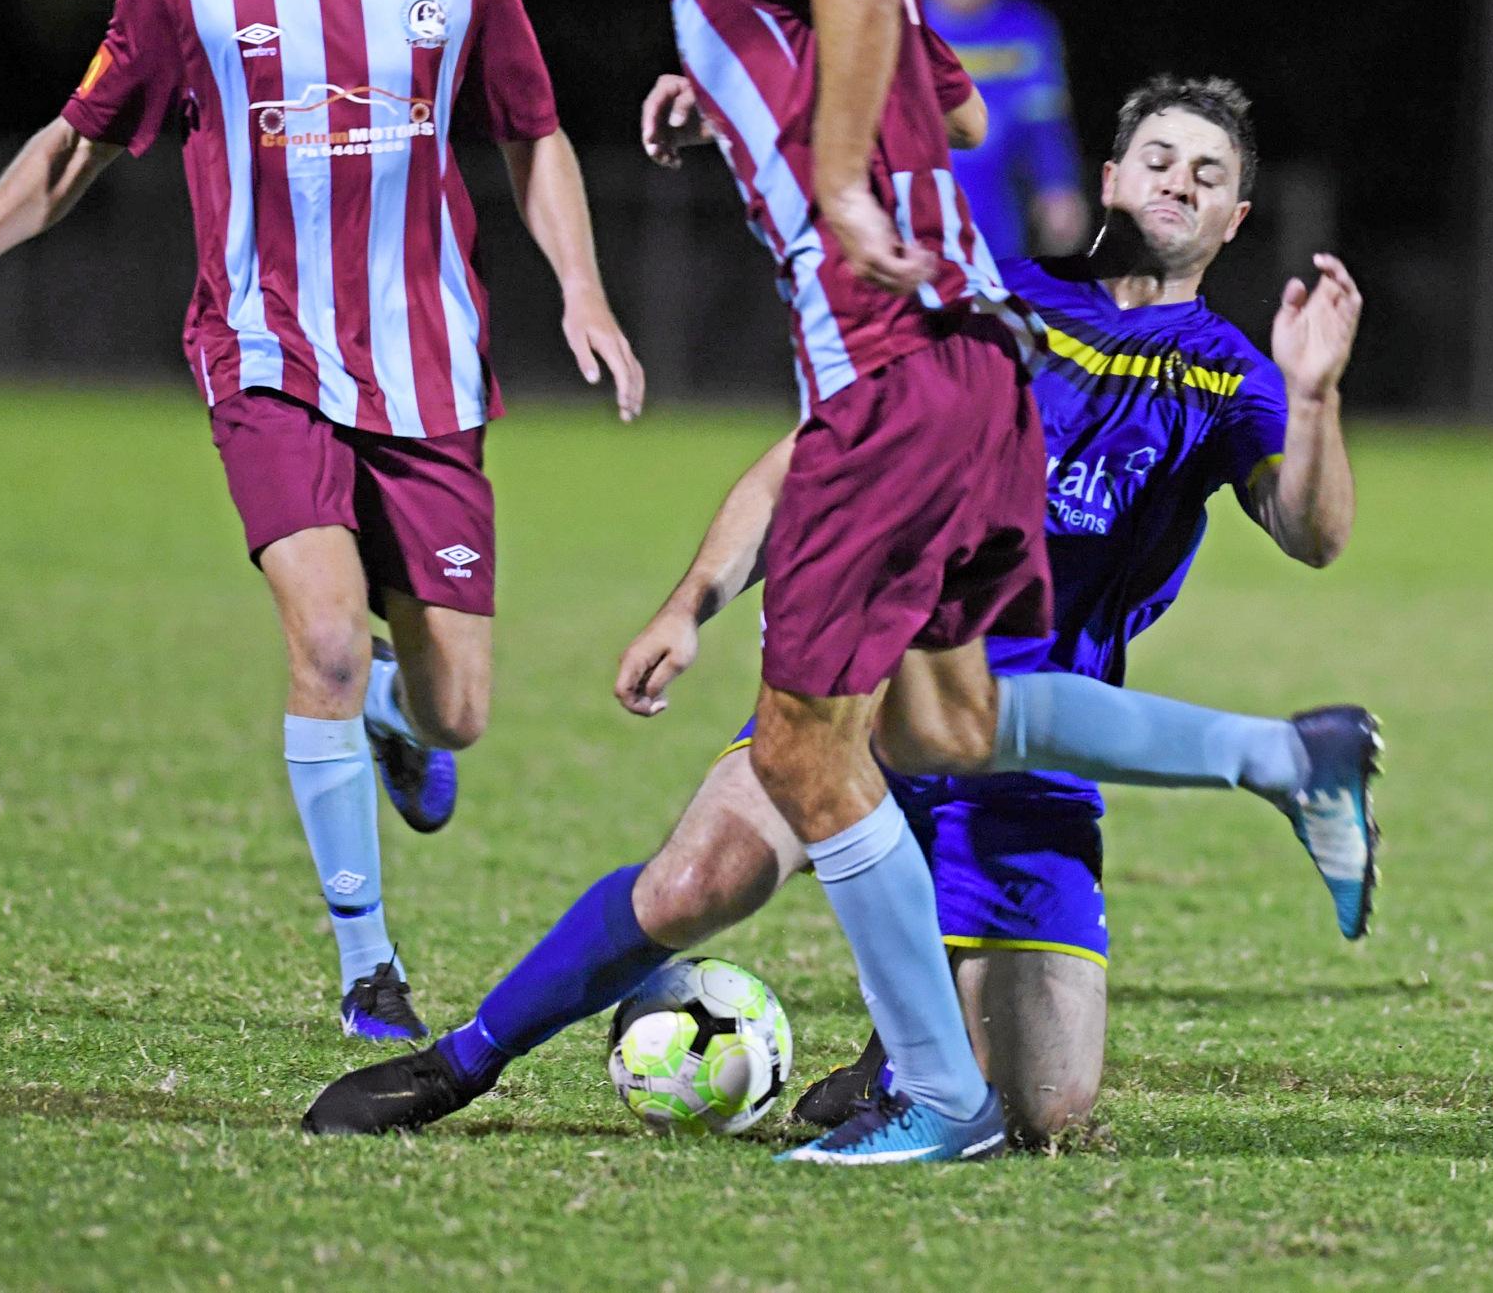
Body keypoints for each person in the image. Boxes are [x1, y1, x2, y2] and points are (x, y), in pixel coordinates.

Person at [426, 0, 1371, 1167]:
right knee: (883, 753)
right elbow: (963, 110)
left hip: (899, 403)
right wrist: (735, 97)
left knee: (907, 882)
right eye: (1157, 156)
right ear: (1115, 172)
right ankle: (1268, 763)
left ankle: (932, 1090)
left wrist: (843, 180)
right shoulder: (1018, 302)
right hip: (940, 447)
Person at [300, 74, 1363, 1148]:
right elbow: (808, 462)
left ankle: (904, 1055)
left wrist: (1313, 398)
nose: (1177, 181)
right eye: (1160, 158)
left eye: (1207, 174)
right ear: (1111, 179)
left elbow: (1310, 530)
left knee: (1044, 1111)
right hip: (866, 680)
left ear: (1233, 221)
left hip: (1028, 747)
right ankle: (454, 1065)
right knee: (694, 883)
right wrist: (690, 606)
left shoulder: (1232, 381)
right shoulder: (992, 307)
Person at [0, 0, 643, 1043]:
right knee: (328, 639)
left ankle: (407, 714)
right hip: (264, 348)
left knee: (458, 713)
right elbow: (78, 142)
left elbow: (534, 131)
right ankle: (368, 966)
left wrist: (581, 288)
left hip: (427, 363)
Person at [913, 0, 1089, 257]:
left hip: (997, 219)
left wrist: (1059, 188)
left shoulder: (1026, 28)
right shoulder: (895, 26)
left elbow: (1045, 122)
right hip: (908, 220)